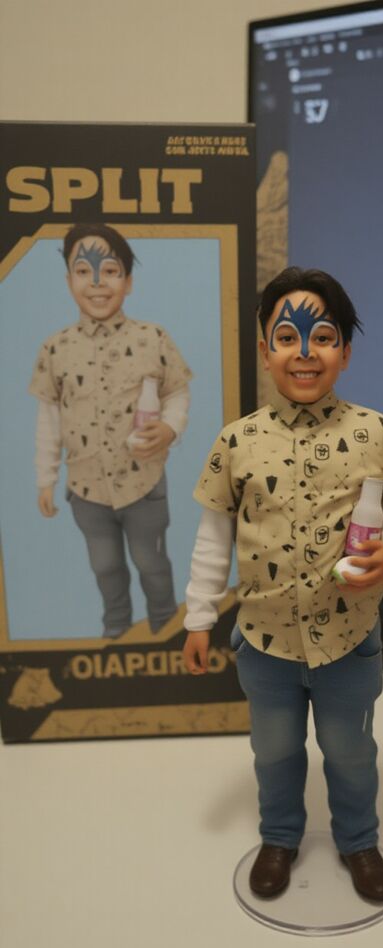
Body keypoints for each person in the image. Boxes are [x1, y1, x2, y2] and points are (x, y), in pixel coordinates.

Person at [183, 267, 383, 903]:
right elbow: (213, 537)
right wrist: (199, 618)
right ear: (266, 351)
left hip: (349, 638)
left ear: (345, 351)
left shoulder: (375, 432)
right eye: (287, 336)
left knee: (351, 750)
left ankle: (359, 840)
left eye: (323, 336)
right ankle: (280, 836)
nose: (305, 351)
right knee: (274, 750)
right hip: (264, 642)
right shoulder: (237, 442)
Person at [29, 223, 192, 638]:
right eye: (84, 271)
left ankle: (165, 629)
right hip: (87, 489)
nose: (98, 282)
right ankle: (116, 632)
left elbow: (176, 392)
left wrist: (170, 428)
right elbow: (49, 418)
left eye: (111, 271)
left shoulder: (153, 338)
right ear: (68, 280)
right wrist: (46, 478)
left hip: (144, 485)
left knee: (152, 564)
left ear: (129, 281)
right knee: (105, 566)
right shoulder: (55, 348)